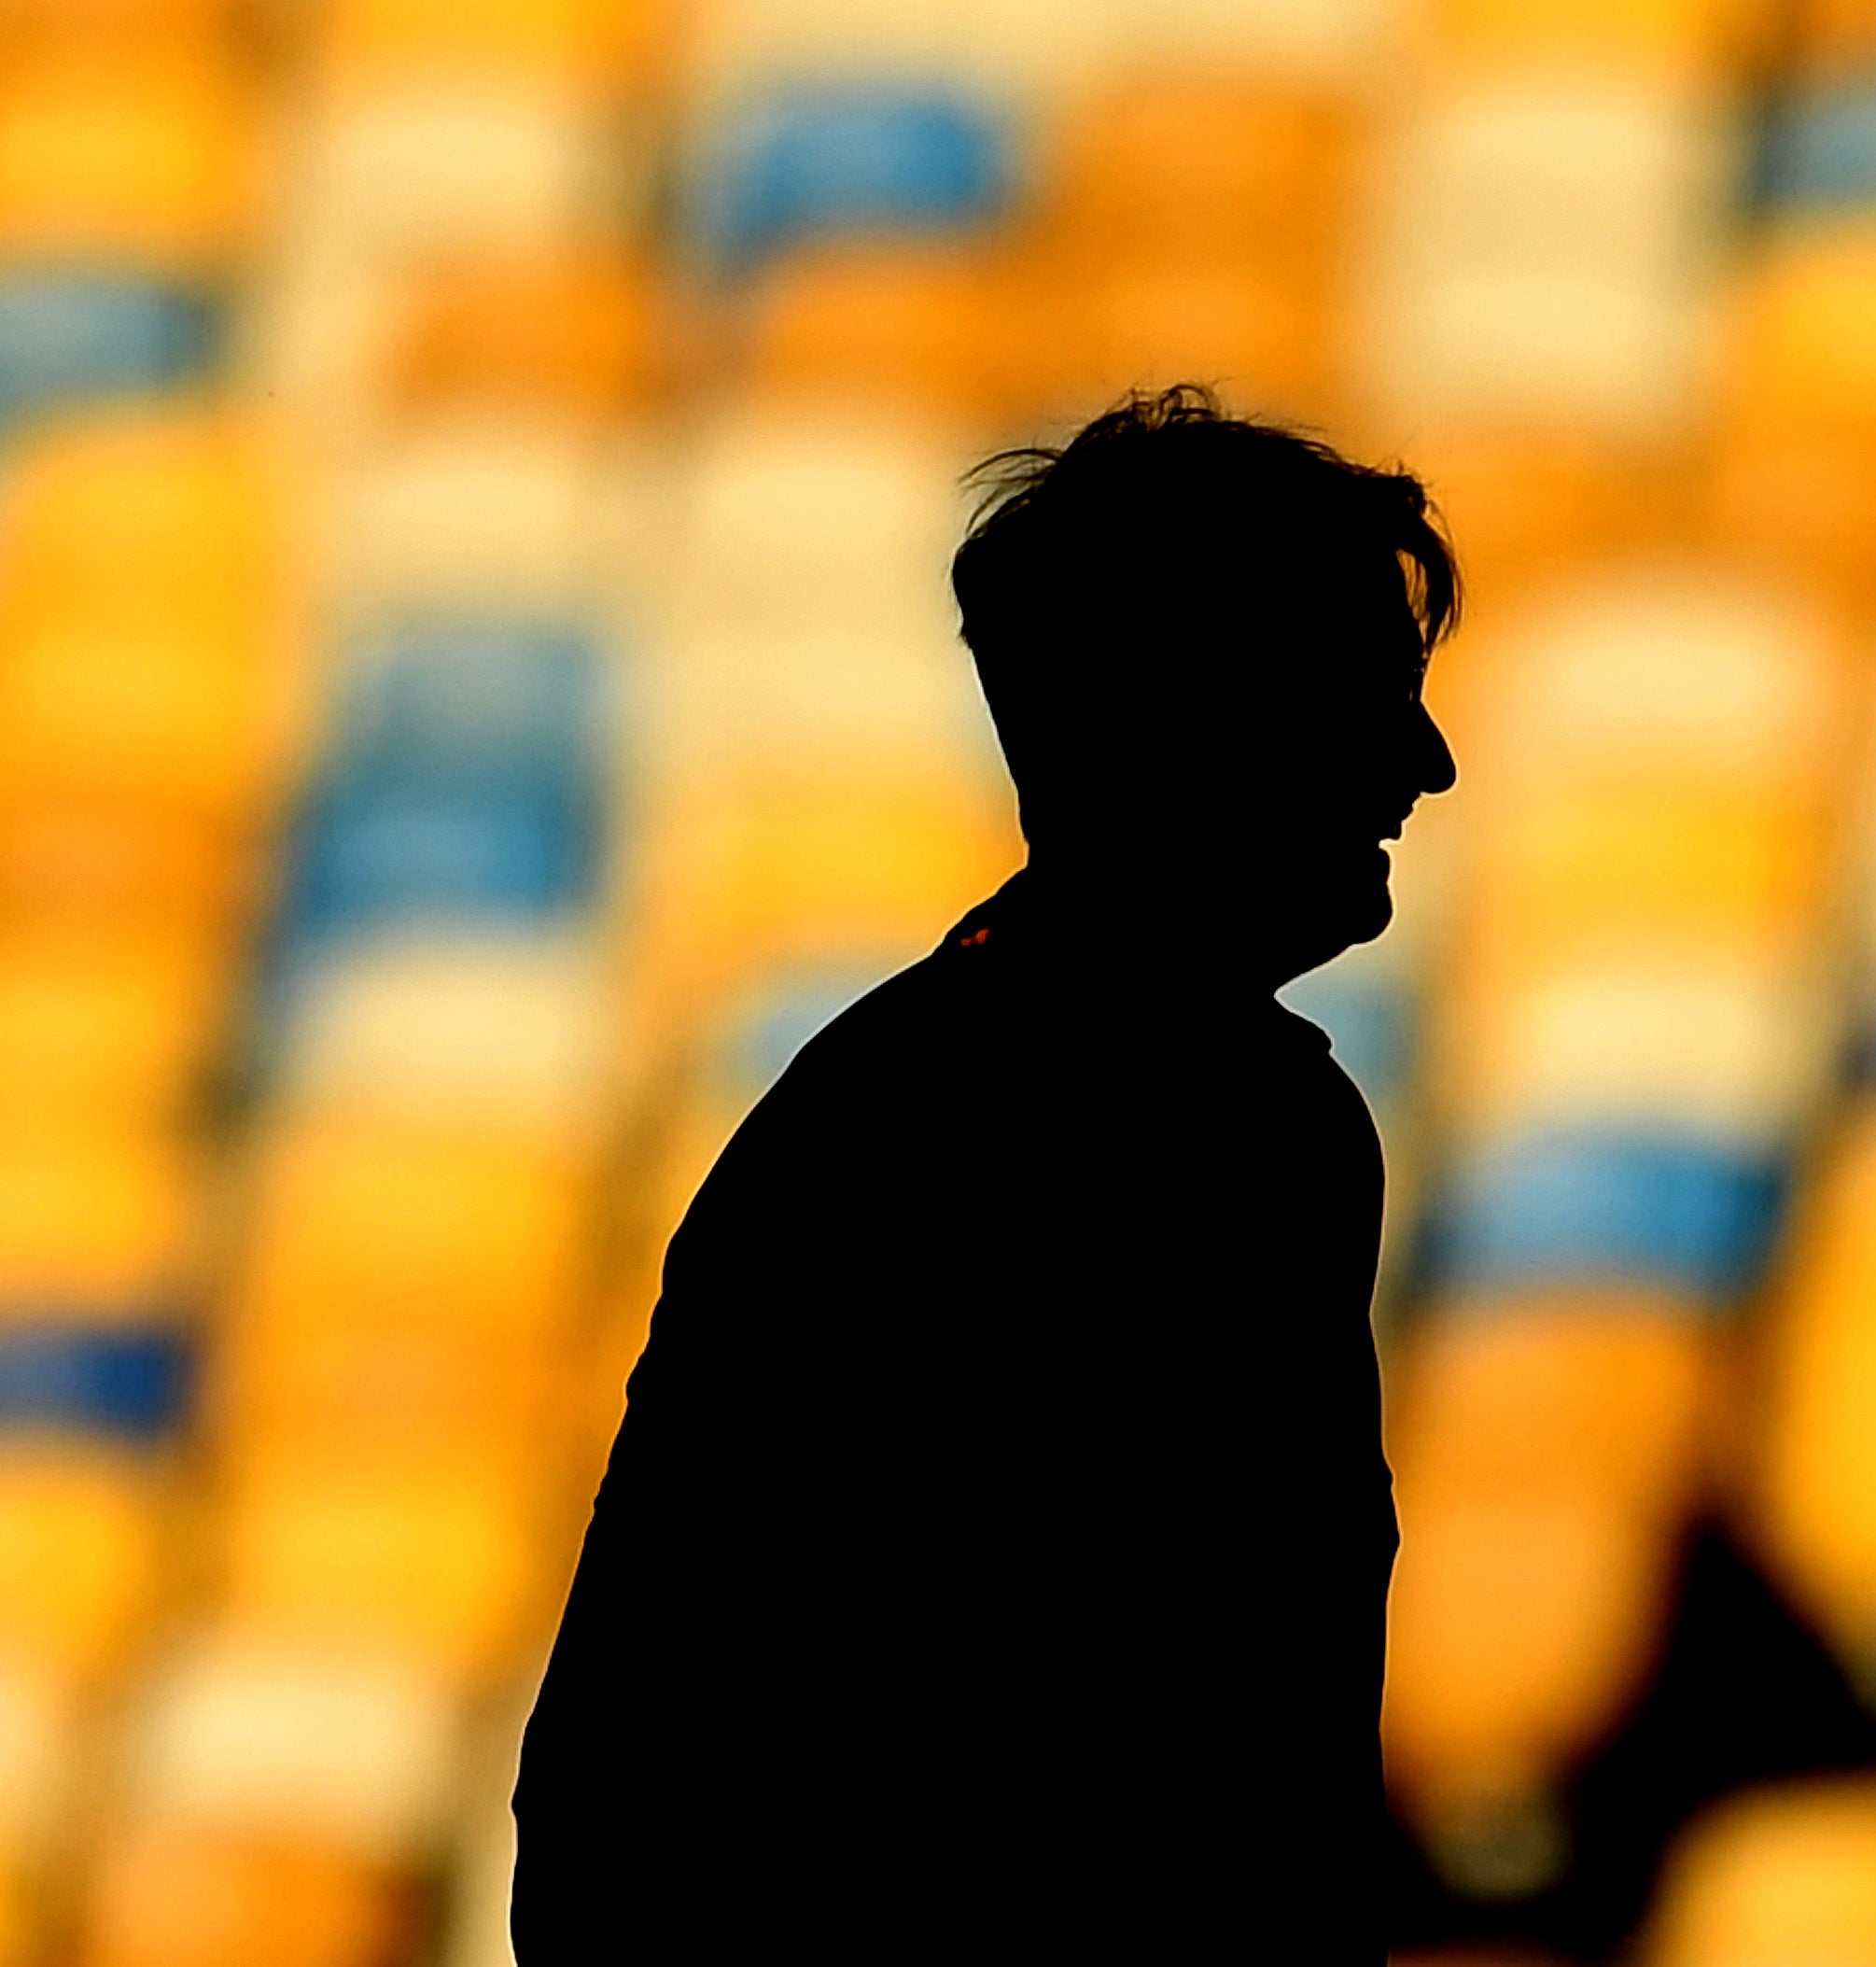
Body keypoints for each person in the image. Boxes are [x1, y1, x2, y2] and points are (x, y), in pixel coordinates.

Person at [511, 387, 1460, 1961]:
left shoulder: (1042, 1105)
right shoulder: (1028, 1135)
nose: (1424, 765)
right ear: (1204, 730)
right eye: (1367, 695)